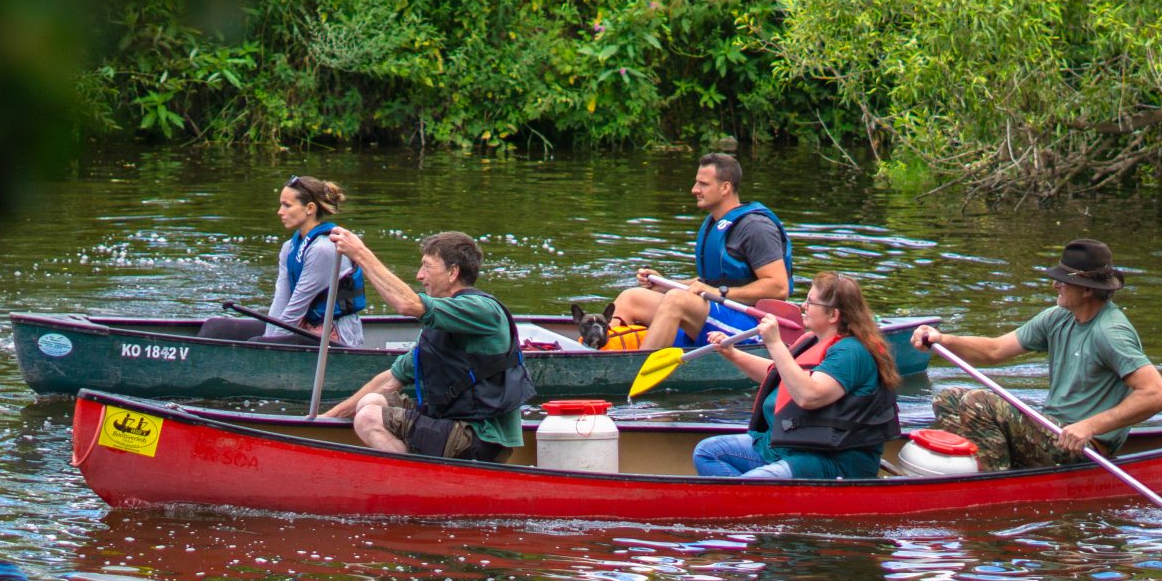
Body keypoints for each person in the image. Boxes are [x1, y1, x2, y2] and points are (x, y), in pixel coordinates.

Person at [910, 239, 1162, 469]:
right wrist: (943, 339)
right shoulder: (1058, 317)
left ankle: (995, 480)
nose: (1055, 286)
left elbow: (1157, 395)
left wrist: (1090, 426)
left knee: (979, 401)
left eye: (1063, 281)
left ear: (1086, 289)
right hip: (1051, 431)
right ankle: (988, 467)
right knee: (948, 399)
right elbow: (994, 350)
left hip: (1084, 448)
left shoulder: (1111, 332)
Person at [320, 228, 535, 462]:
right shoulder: (443, 322)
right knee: (370, 401)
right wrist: (326, 419)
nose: (420, 276)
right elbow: (390, 380)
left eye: (427, 267)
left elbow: (406, 304)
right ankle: (411, 466)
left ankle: (415, 483)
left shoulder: (481, 310)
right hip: (451, 424)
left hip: (480, 437)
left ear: (453, 272)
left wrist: (360, 253)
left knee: (368, 418)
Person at [691, 273, 901, 481]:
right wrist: (734, 355)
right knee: (708, 452)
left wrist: (774, 343)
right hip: (786, 445)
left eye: (810, 302)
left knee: (751, 485)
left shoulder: (851, 352)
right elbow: (779, 374)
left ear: (833, 315)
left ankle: (750, 500)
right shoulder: (814, 341)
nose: (803, 306)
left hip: (828, 460)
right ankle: (760, 503)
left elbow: (809, 395)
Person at [580, 153, 792, 353]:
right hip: (719, 313)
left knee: (676, 300)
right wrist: (664, 284)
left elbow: (778, 287)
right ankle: (598, 354)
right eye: (696, 182)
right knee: (631, 297)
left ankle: (635, 373)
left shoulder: (756, 227)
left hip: (754, 326)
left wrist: (719, 293)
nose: (694, 189)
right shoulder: (715, 224)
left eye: (703, 184)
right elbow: (710, 282)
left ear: (725, 187)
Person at [197, 175, 365, 347]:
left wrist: (268, 346)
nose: (280, 211)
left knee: (257, 343)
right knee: (215, 327)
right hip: (305, 327)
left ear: (310, 208)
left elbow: (295, 310)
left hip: (336, 336)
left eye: (287, 205)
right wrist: (269, 339)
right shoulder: (289, 248)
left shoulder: (323, 250)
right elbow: (281, 302)